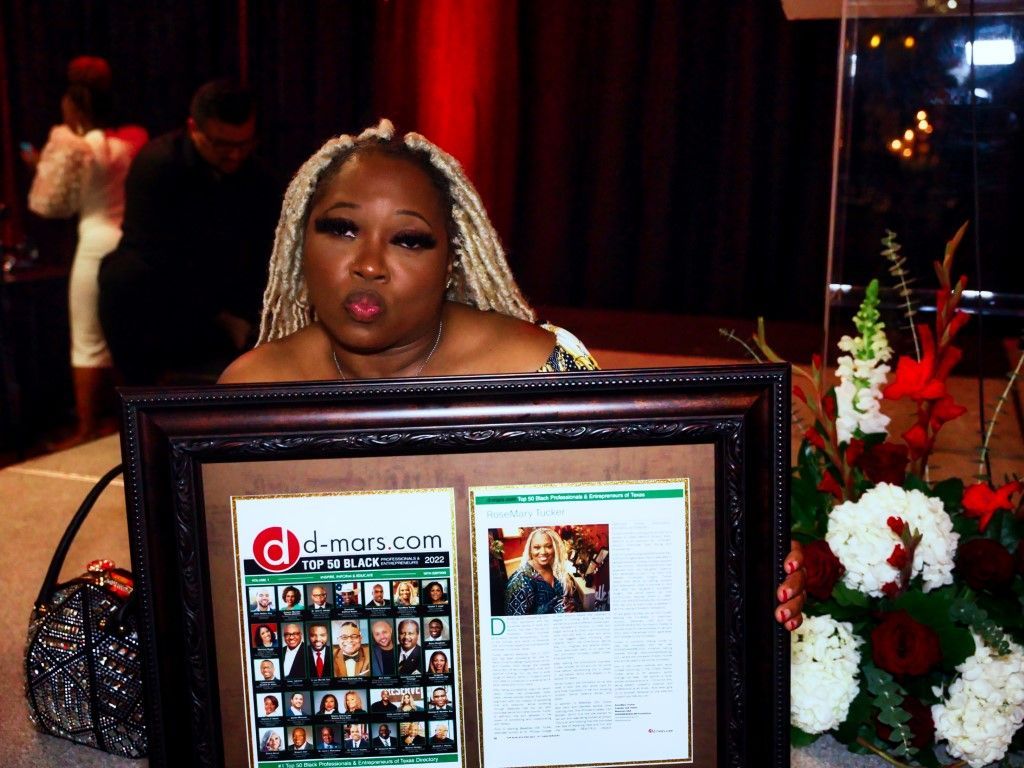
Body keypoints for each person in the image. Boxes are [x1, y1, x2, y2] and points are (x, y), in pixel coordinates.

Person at [216, 120, 806, 630]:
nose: (368, 263)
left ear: (450, 263)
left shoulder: (542, 371)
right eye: (341, 229)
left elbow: (636, 540)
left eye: (409, 239)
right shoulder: (246, 392)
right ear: (299, 241)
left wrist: (741, 566)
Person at [98, 78, 279, 385]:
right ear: (193, 128)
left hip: (228, 295)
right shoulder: (159, 164)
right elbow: (156, 255)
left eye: (244, 144)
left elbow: (263, 250)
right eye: (222, 145)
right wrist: (220, 317)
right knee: (123, 277)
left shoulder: (258, 173)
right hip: (158, 296)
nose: (235, 155)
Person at [25, 56, 147, 446]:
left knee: (87, 339)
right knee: (122, 335)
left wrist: (39, 166)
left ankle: (86, 426)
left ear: (76, 108)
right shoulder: (126, 144)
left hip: (93, 240)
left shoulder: (76, 145)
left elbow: (51, 204)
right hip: (124, 242)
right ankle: (122, 422)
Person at [504, 527, 580, 615]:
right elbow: (517, 622)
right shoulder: (520, 582)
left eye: (548, 546)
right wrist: (558, 611)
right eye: (537, 547)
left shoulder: (556, 569)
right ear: (530, 550)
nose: (543, 552)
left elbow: (568, 598)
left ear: (555, 548)